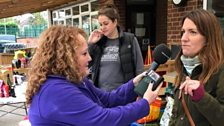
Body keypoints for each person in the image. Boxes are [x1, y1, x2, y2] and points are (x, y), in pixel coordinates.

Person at [25, 25, 163, 126]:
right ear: (66, 58)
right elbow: (105, 120)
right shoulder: (57, 91)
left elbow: (108, 100)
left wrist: (133, 84)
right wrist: (144, 103)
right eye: (84, 53)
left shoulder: (72, 80)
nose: (90, 58)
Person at [169, 9, 224, 126]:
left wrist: (202, 97)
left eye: (192, 32)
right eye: (183, 32)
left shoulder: (220, 70)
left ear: (209, 38)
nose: (184, 38)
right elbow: (176, 114)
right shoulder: (183, 68)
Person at [88, 4, 144, 91]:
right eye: (100, 24)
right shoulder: (98, 43)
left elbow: (139, 68)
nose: (102, 28)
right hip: (102, 95)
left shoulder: (130, 40)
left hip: (124, 94)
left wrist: (139, 91)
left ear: (115, 22)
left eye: (106, 24)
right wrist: (90, 43)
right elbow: (86, 64)